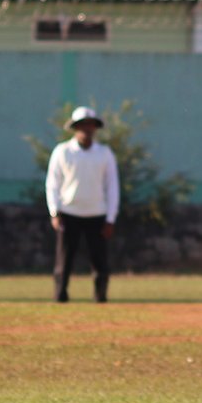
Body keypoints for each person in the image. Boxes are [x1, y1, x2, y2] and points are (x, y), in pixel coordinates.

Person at [45, 106, 119, 304]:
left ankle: (100, 297)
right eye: (82, 125)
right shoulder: (62, 152)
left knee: (99, 261)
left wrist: (110, 218)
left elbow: (112, 187)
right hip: (69, 213)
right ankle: (60, 296)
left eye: (90, 125)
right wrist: (54, 211)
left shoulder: (104, 153)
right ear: (75, 127)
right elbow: (53, 183)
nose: (87, 129)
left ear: (95, 128)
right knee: (64, 261)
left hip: (97, 214)